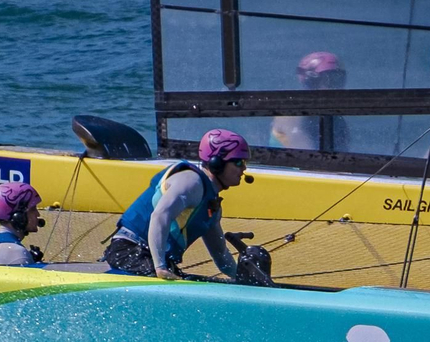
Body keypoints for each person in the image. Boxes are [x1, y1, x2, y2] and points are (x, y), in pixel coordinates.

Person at [104, 129, 247, 280]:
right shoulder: (191, 182)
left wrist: (244, 280)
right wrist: (160, 268)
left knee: (201, 282)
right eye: (238, 162)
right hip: (128, 250)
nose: (244, 169)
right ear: (217, 163)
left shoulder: (212, 206)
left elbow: (221, 255)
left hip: (152, 259)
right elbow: (160, 216)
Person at [271, 51, 348, 152]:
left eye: (339, 80)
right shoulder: (292, 115)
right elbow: (306, 159)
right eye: (329, 80)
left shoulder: (334, 117)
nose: (335, 87)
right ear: (311, 82)